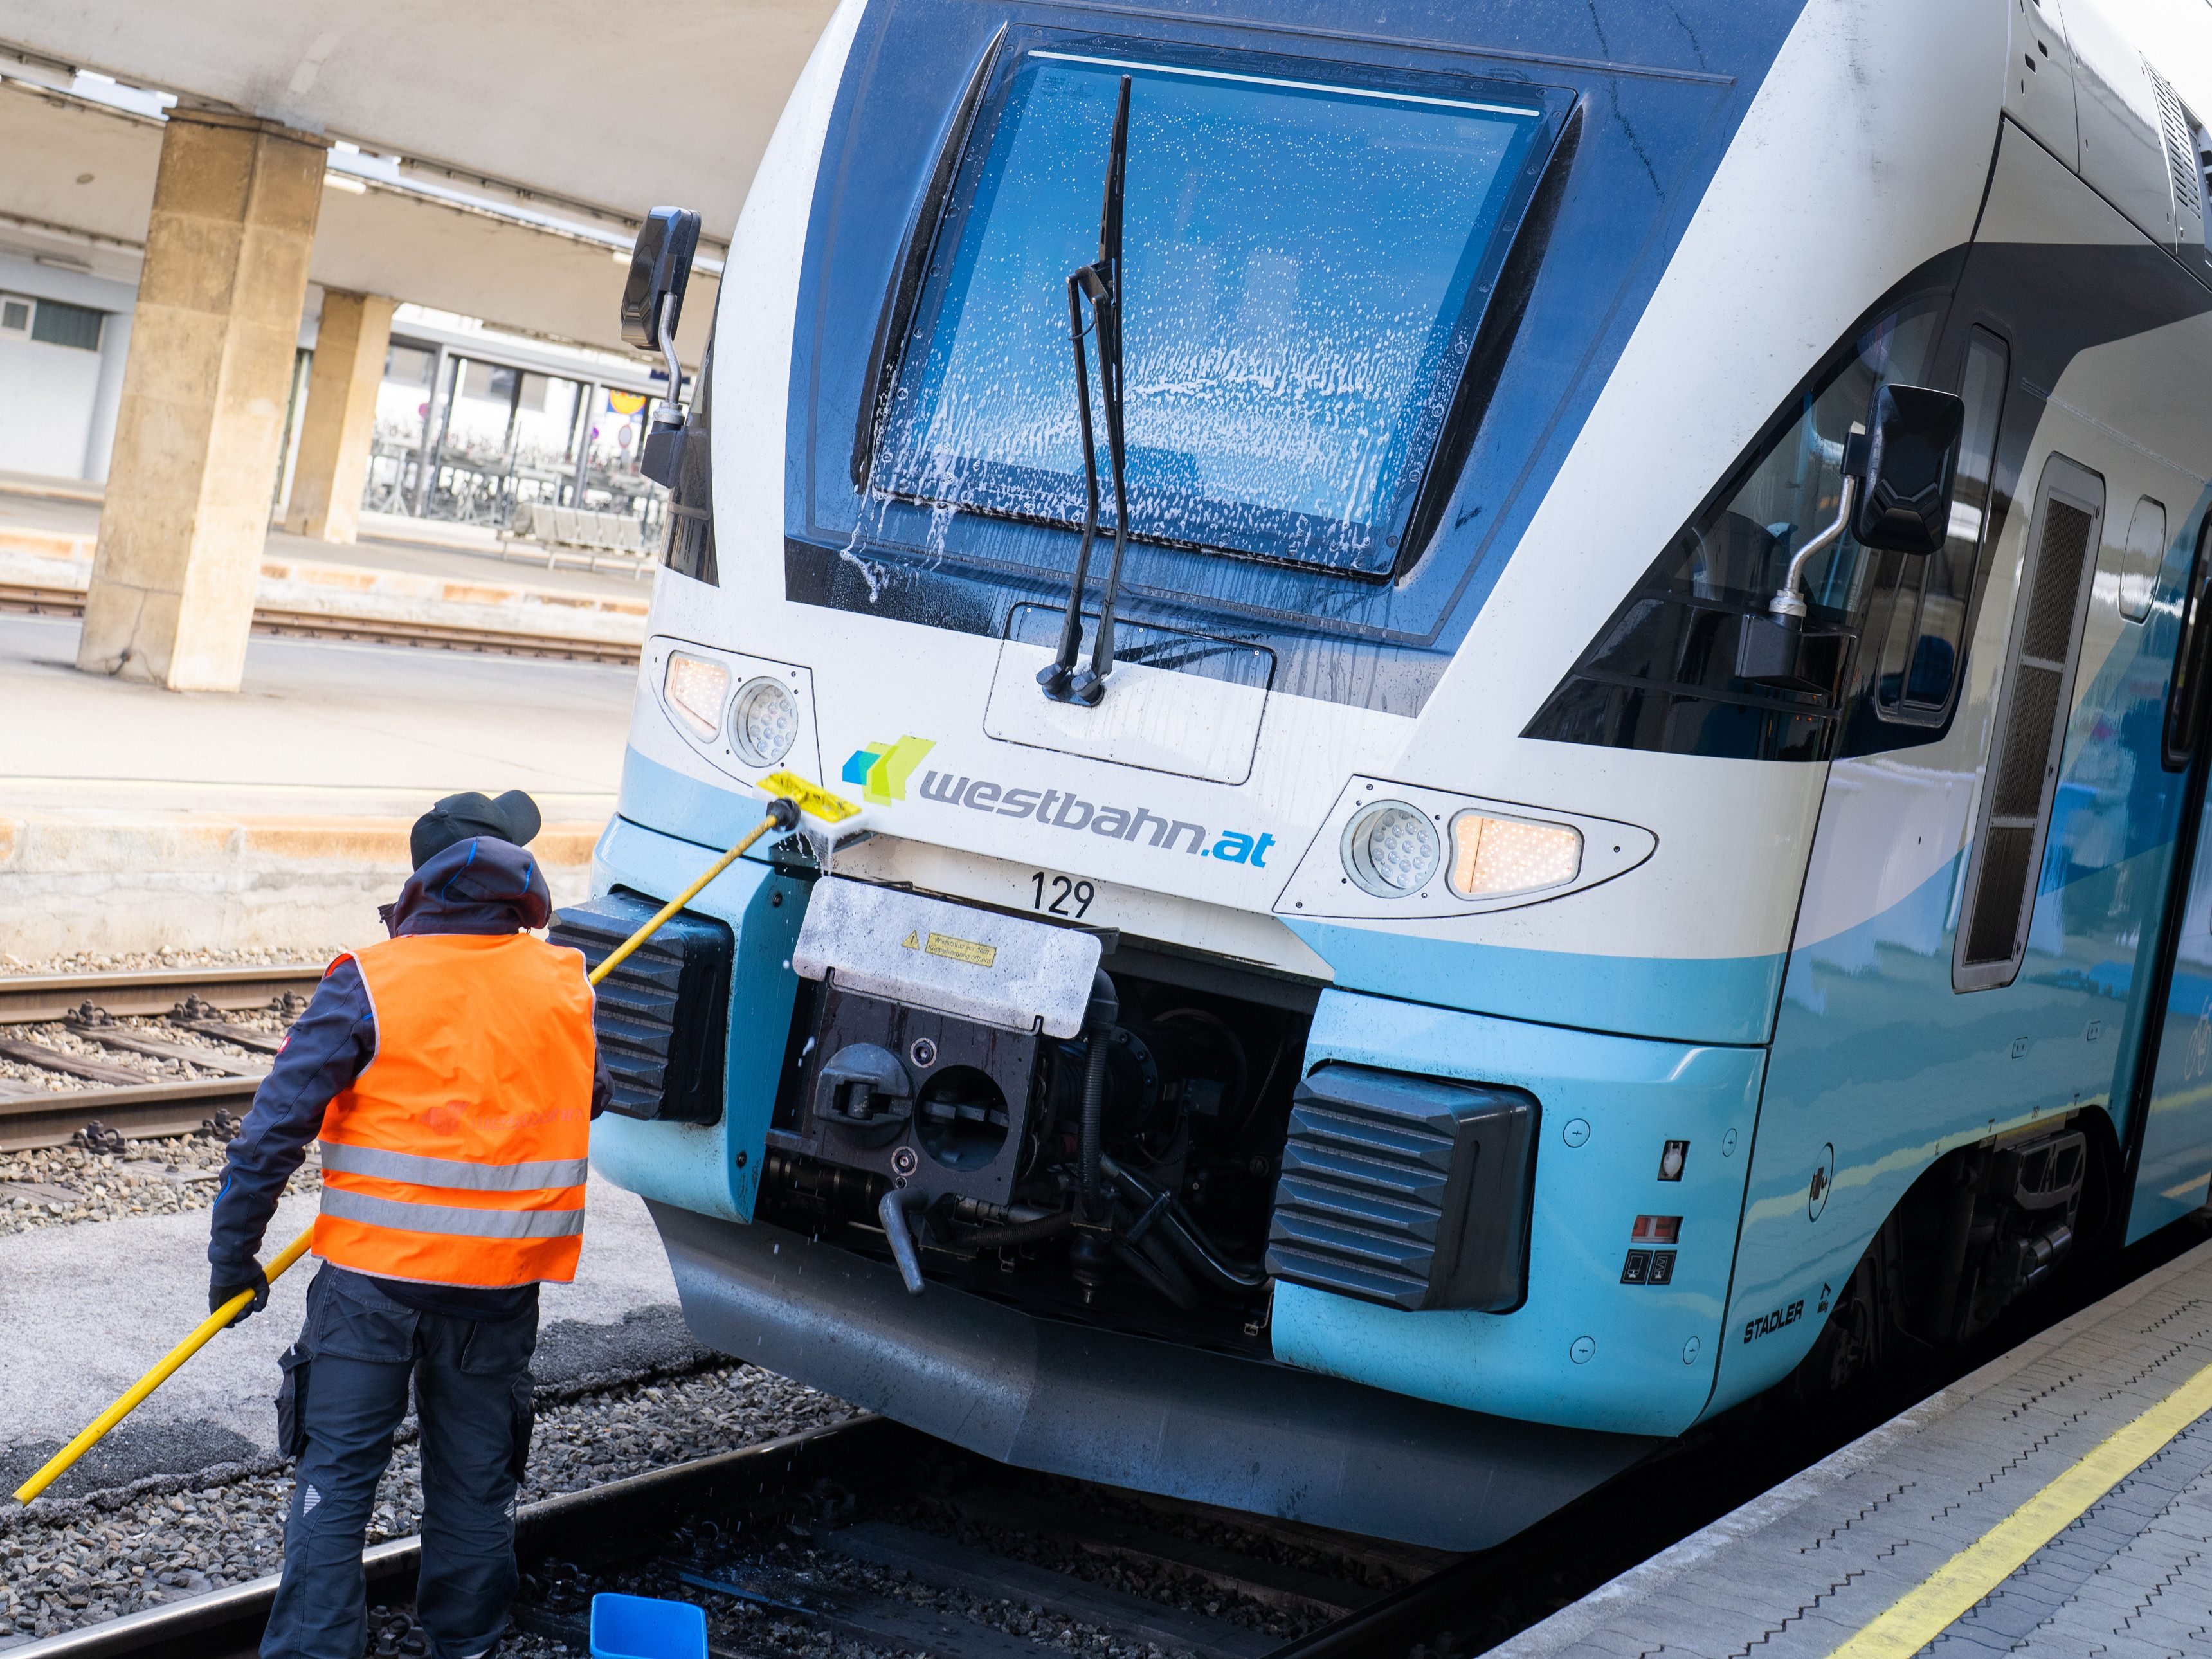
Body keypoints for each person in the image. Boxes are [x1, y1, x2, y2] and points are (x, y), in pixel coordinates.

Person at [207, 790, 610, 1659]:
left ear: (422, 884)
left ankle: (319, 1650)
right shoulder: (565, 983)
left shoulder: (371, 978)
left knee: (337, 1479)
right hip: (498, 1291)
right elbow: (596, 1098)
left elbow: (272, 1132)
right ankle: (463, 1645)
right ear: (517, 887)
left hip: (371, 1288)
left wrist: (233, 1258)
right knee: (474, 1484)